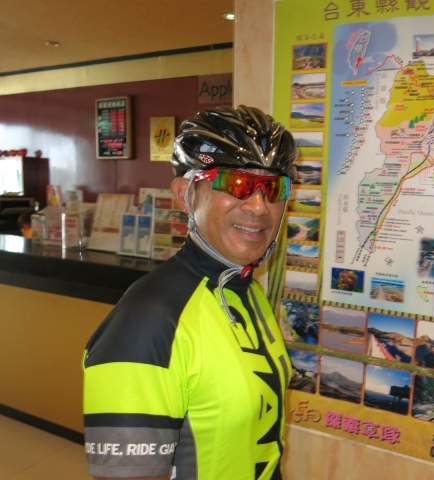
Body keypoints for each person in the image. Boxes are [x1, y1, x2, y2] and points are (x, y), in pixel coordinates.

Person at [83, 105, 298, 480]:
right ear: (185, 194)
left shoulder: (246, 291)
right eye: (236, 184)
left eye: (273, 188)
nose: (259, 206)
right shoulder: (146, 323)